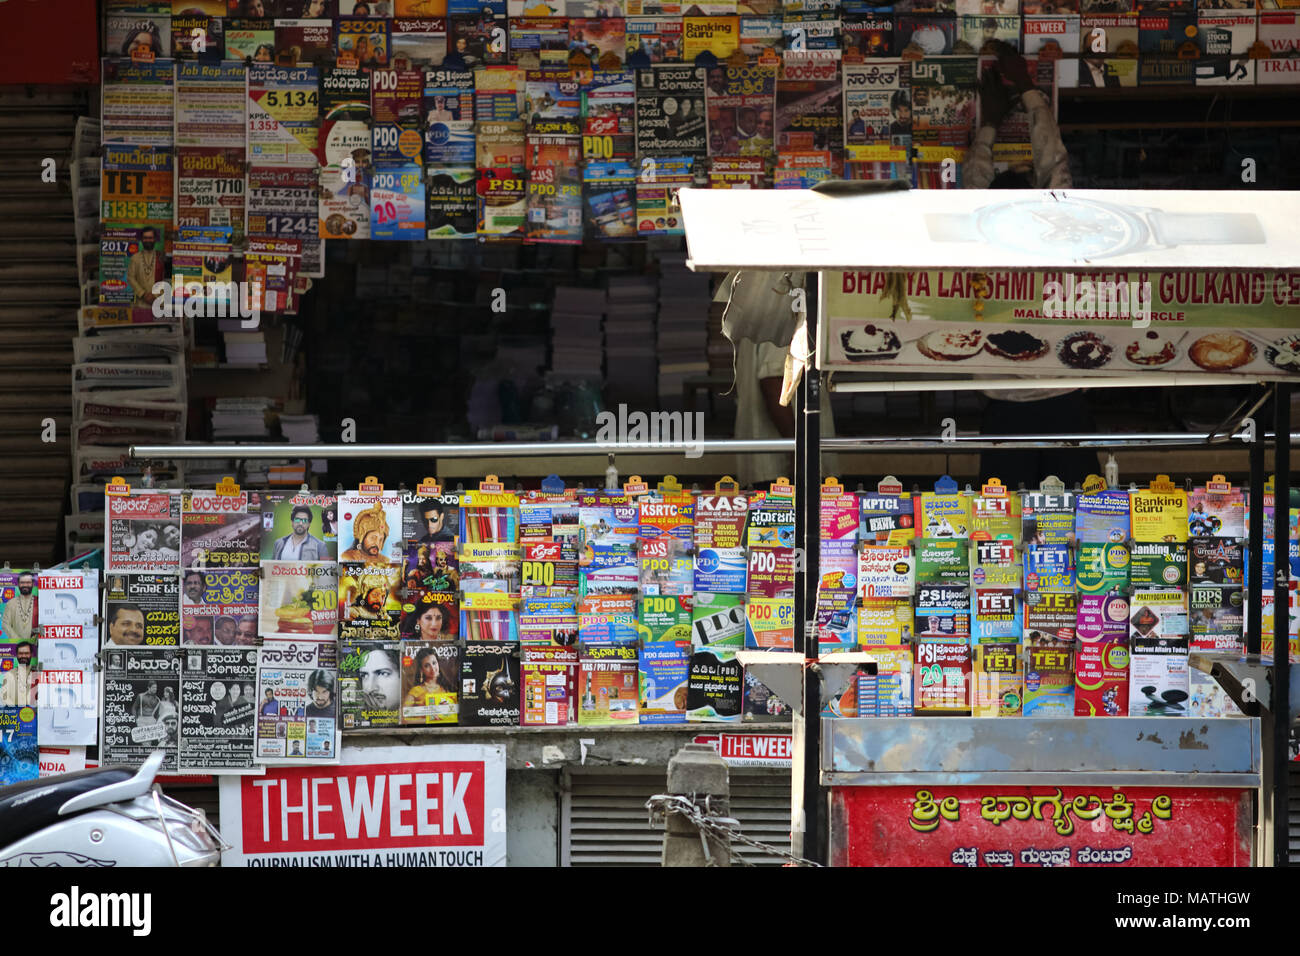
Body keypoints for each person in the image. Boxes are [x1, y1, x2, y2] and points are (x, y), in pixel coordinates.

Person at [962, 43, 1093, 488]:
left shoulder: (980, 244)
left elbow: (974, 191)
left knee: (1004, 518)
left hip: (1005, 410)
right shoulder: (1057, 239)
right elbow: (1054, 164)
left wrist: (989, 125)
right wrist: (1028, 90)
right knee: (1075, 514)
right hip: (1065, 402)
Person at [402, 646, 453, 713]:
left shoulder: (447, 687)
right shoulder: (416, 691)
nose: (433, 668)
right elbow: (403, 716)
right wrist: (428, 719)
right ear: (421, 670)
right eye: (427, 665)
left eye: (434, 663)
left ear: (438, 663)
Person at [127, 227, 162, 306]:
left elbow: (163, 279)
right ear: (141, 240)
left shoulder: (161, 257)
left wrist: (155, 296)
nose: (148, 240)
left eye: (150, 238)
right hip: (140, 303)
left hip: (158, 302)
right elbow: (130, 278)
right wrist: (143, 294)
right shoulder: (135, 258)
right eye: (145, 238)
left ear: (155, 239)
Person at [2, 573, 36, 642]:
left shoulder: (39, 601)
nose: (25, 585)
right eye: (22, 582)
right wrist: (17, 640)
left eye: (28, 582)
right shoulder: (11, 603)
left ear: (33, 584)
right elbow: (5, 624)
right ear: (18, 584)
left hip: (35, 645)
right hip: (16, 645)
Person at [0, 642, 34, 707]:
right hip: (14, 714)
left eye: (26, 653)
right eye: (20, 653)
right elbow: (4, 697)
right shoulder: (9, 674)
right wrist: (16, 710)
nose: (23, 656)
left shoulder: (38, 674)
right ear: (17, 655)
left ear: (31, 654)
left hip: (35, 714)